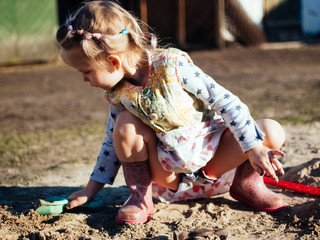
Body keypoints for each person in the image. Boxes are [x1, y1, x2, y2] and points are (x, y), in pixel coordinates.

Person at [56, 0, 286, 224]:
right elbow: (111, 144)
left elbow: (228, 103)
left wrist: (253, 148)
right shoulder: (119, 94)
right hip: (170, 178)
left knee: (271, 130)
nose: (84, 79)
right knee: (124, 125)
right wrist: (90, 189)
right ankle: (140, 198)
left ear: (113, 61)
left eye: (86, 71)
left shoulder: (173, 66)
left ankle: (246, 185)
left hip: (218, 165)